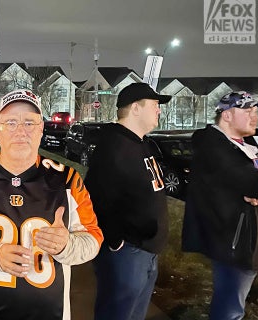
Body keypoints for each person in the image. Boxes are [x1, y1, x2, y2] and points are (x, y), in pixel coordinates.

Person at [0, 89, 103, 320]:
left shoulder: (67, 180)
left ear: (40, 129)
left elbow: (93, 239)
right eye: (11, 122)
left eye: (29, 123)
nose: (20, 131)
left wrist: (67, 245)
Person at [84, 82, 172, 320]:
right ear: (135, 108)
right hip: (126, 255)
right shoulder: (113, 146)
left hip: (146, 252)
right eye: (154, 105)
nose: (158, 111)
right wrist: (115, 242)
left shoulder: (142, 143)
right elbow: (96, 198)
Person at [182, 91, 258, 320]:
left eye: (256, 111)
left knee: (232, 303)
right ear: (227, 116)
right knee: (230, 308)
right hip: (234, 242)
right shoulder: (213, 145)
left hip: (246, 236)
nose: (254, 116)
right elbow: (252, 184)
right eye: (247, 110)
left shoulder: (243, 144)